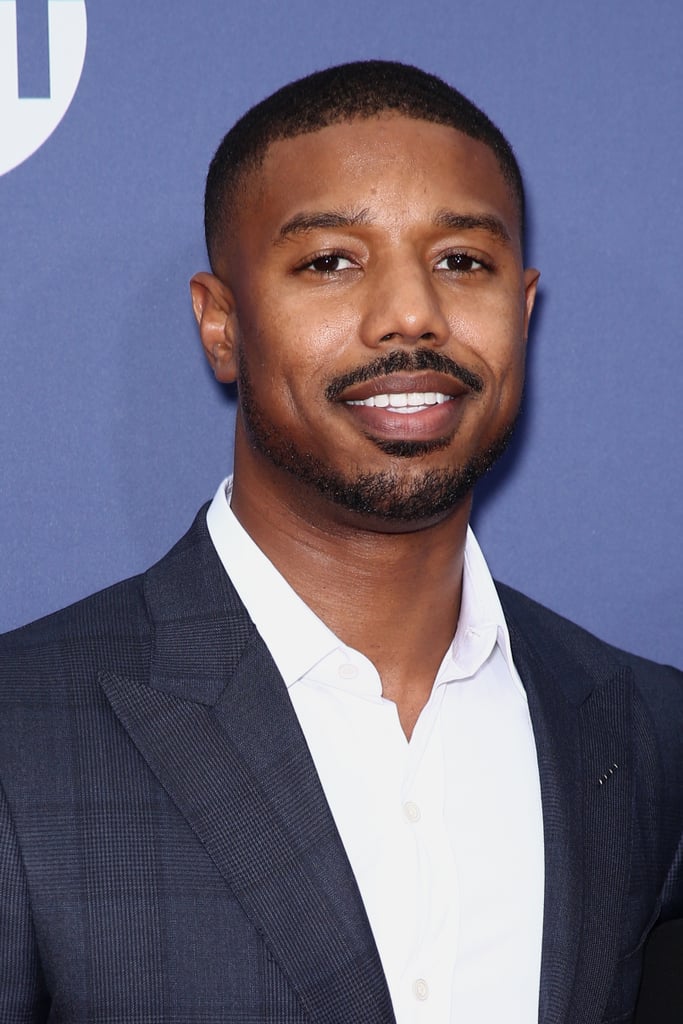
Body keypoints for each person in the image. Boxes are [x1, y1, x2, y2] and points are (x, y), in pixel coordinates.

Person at [0, 60, 681, 1024]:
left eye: (461, 261)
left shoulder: (645, 731)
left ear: (522, 313)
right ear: (221, 324)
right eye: (330, 262)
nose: (410, 313)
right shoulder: (20, 732)